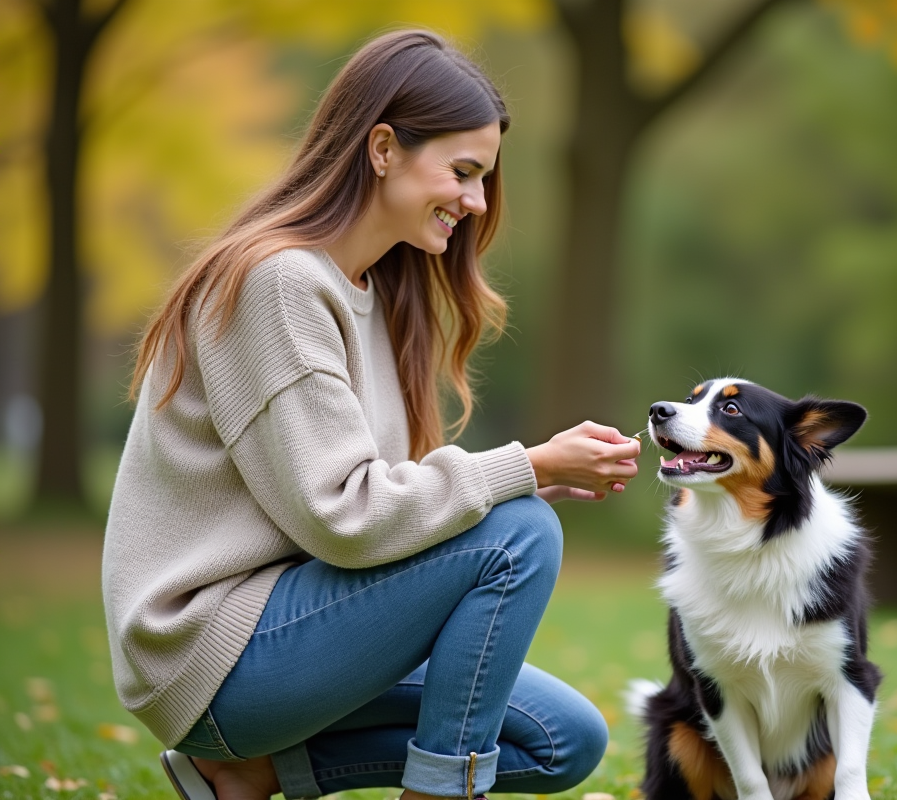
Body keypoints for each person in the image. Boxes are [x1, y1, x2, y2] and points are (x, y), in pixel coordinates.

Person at [102, 29, 641, 800]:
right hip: (211, 656)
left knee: (563, 740)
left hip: (293, 625)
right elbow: (344, 516)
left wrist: (516, 482)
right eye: (462, 172)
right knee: (519, 537)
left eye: (484, 178)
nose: (478, 202)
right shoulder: (279, 283)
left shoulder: (376, 292)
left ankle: (247, 775)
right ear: (382, 147)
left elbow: (363, 499)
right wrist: (523, 469)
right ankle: (435, 792)